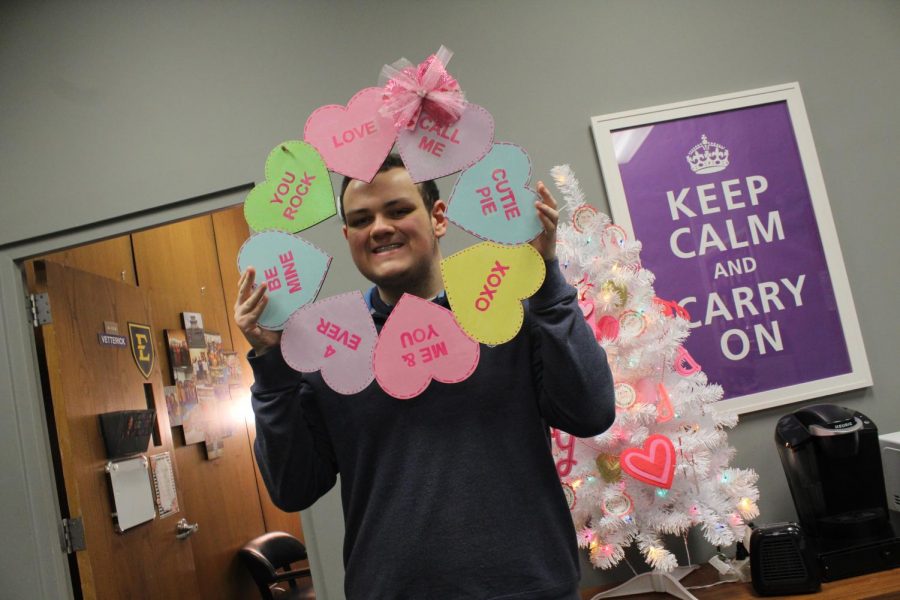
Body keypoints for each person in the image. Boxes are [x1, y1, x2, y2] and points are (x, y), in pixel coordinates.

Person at [235, 154, 615, 599]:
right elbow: (293, 488)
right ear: (348, 237)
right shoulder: (330, 346)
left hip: (530, 587)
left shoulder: (505, 312)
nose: (379, 227)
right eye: (361, 219)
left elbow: (592, 412)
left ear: (437, 218)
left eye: (397, 210)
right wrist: (270, 362)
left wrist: (547, 281)